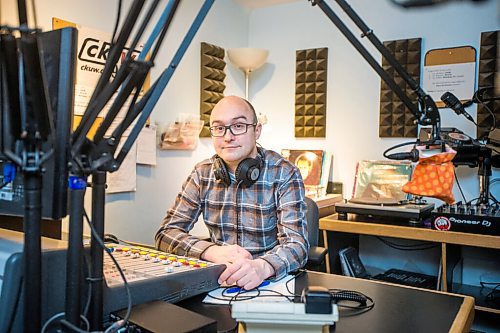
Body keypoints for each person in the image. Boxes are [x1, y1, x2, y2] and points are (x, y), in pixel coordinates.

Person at [155, 95, 309, 290]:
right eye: (219, 128)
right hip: (220, 282)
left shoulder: (284, 172)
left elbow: (297, 245)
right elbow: (166, 233)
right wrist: (210, 251)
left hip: (268, 282)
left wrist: (262, 266)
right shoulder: (202, 173)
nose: (227, 137)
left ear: (257, 130)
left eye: (238, 126)